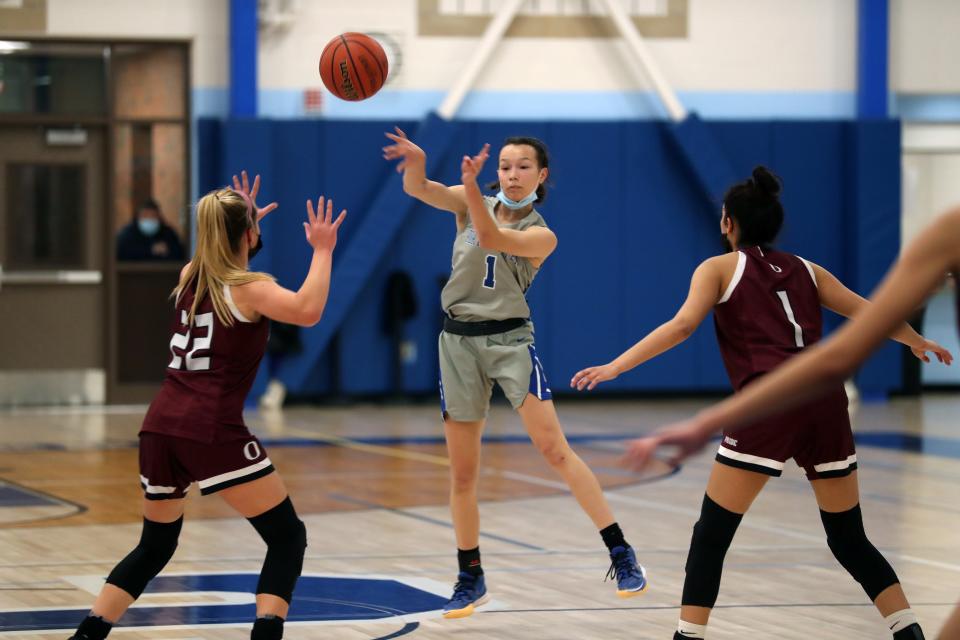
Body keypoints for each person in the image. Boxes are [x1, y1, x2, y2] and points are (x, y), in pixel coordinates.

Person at [571, 167, 951, 640]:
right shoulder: (809, 269)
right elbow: (872, 312)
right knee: (849, 538)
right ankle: (909, 632)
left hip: (770, 403)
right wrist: (916, 341)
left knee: (712, 534)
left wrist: (616, 366)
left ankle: (687, 637)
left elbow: (683, 325)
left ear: (727, 222)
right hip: (825, 402)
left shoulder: (717, 268)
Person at [382, 128, 647, 619]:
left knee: (554, 450)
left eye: (523, 166)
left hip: (509, 343)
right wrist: (418, 162)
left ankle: (619, 550)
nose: (512, 174)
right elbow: (417, 190)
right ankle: (470, 574)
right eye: (504, 166)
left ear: (541, 176)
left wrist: (469, 187)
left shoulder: (542, 234)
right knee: (462, 474)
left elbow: (491, 236)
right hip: (456, 344)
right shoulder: (469, 200)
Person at [69, 172, 346, 640]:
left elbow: (223, 253)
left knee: (155, 546)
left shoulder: (190, 277)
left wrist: (241, 223)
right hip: (210, 428)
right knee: (286, 538)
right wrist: (322, 249)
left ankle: (87, 635)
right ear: (248, 234)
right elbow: (308, 309)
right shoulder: (251, 288)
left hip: (159, 427)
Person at [116, 198, 186, 261]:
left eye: (153, 215)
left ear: (159, 217)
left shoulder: (168, 233)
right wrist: (150, 250)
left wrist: (166, 251)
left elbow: (178, 254)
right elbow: (122, 253)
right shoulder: (128, 234)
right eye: (145, 215)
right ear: (137, 217)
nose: (149, 219)